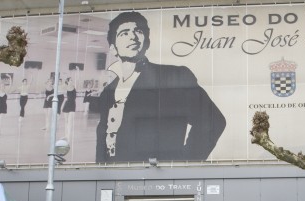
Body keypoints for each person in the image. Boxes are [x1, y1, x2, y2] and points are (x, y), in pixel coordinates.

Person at [96, 11, 226, 162]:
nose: (133, 36)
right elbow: (103, 138)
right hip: (112, 174)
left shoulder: (174, 76)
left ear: (147, 41)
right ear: (113, 48)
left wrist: (186, 163)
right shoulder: (107, 92)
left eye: (138, 31)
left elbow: (213, 120)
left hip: (156, 175)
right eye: (124, 33)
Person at [62, 77, 76, 142]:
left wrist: (78, 71)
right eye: (70, 80)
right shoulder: (66, 87)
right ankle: (66, 135)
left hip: (72, 105)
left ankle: (69, 137)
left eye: (72, 80)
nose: (71, 81)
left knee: (70, 122)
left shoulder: (74, 87)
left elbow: (78, 80)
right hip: (67, 105)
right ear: (67, 81)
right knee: (66, 122)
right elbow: (62, 86)